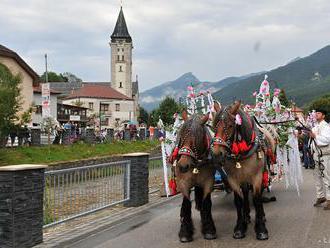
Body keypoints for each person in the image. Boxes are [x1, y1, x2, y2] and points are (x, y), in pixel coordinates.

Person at [309, 108, 330, 210]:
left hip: (324, 155)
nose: (316, 115)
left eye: (319, 113)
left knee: (326, 177)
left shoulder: (326, 126)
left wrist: (315, 136)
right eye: (316, 113)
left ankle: (329, 200)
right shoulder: (315, 126)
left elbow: (326, 140)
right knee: (317, 177)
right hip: (316, 155)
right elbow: (312, 139)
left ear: (323, 116)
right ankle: (320, 196)